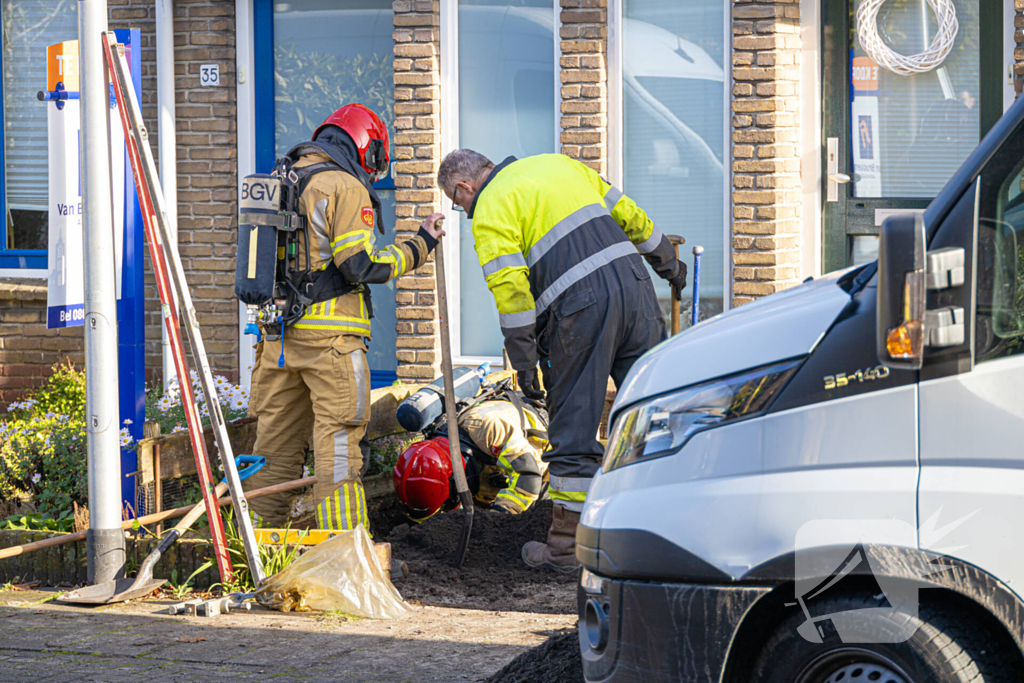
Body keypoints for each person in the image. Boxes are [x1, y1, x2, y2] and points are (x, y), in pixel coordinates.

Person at [436, 150, 687, 571]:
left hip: (580, 313)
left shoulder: (490, 208)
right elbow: (630, 214)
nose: (462, 210)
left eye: (457, 202)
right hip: (637, 290)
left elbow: (511, 291)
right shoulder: (557, 163)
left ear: (464, 186)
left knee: (572, 431)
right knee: (655, 415)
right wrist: (668, 263)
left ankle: (567, 549)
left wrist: (524, 362)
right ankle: (668, 531)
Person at [243, 103, 444, 531]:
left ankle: (257, 552)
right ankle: (342, 553)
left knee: (272, 450)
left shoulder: (283, 178)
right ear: (366, 148)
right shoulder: (343, 186)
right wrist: (421, 245)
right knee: (338, 450)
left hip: (277, 342)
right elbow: (361, 264)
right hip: (330, 343)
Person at [393, 380, 549, 519]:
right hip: (491, 450)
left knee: (542, 511)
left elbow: (529, 476)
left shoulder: (490, 430)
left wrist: (498, 518)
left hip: (547, 445)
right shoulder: (433, 446)